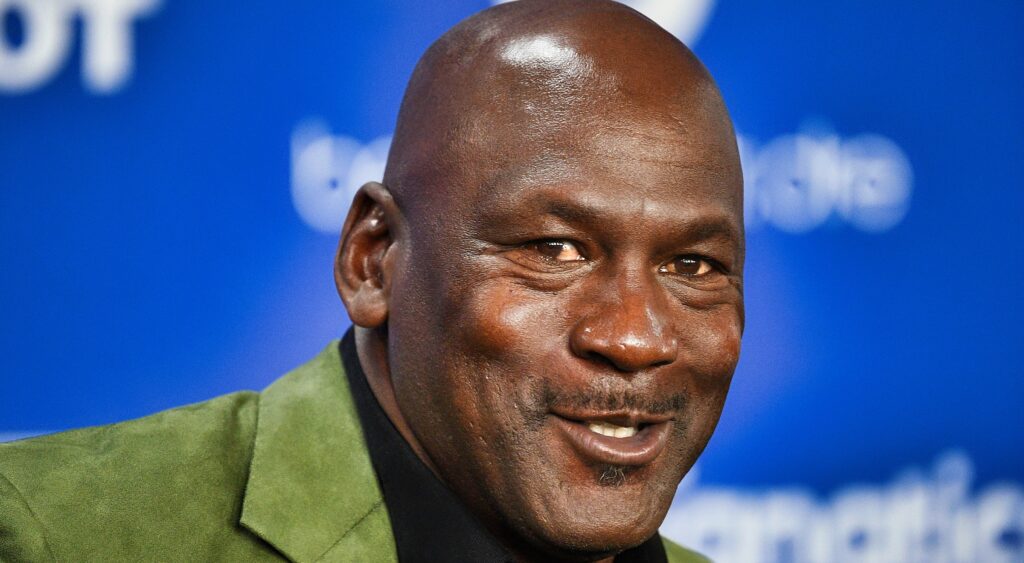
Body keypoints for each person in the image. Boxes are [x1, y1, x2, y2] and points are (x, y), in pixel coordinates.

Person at [0, 0, 744, 561]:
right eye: (555, 249)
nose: (635, 335)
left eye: (694, 266)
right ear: (373, 258)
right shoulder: (53, 533)